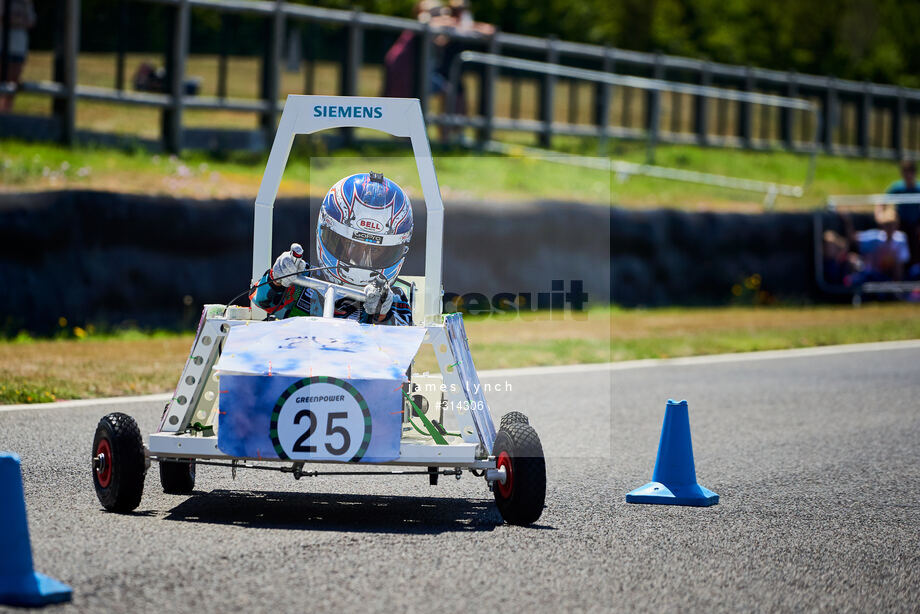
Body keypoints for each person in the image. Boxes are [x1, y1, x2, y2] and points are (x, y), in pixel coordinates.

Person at [249, 172, 414, 325]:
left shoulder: (393, 300)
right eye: (353, 245)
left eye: (375, 250)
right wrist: (277, 280)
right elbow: (260, 301)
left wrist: (381, 313)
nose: (362, 258)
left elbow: (399, 341)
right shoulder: (302, 280)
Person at [846, 204, 911, 284]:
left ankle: (897, 290)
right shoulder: (874, 237)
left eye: (892, 224)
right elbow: (854, 238)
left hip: (892, 275)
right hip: (874, 275)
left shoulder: (901, 239)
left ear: (897, 225)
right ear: (882, 225)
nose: (890, 228)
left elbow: (901, 262)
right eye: (887, 225)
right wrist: (847, 222)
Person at [0, 0, 36, 112]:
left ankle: (7, 111)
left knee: (14, 80)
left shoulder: (26, 2)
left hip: (19, 46)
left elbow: (31, 21)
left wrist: (14, 20)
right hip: (2, 44)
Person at [886, 159, 920, 268]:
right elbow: (882, 202)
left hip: (916, 225)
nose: (908, 175)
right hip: (901, 225)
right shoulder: (897, 188)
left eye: (910, 171)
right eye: (905, 171)